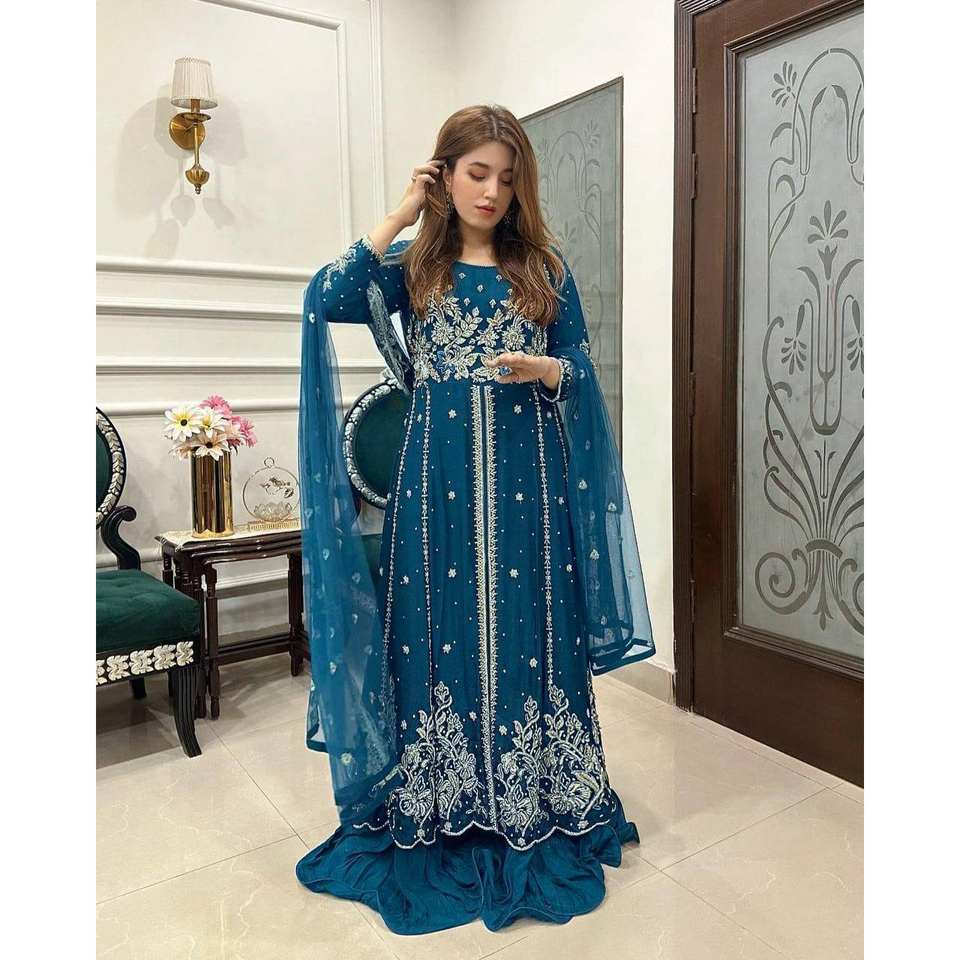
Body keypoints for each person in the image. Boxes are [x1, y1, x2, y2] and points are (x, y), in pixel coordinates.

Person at [295, 104, 655, 935]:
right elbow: (328, 296)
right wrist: (402, 211)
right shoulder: (414, 268)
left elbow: (582, 369)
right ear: (446, 175)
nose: (491, 191)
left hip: (529, 482)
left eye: (506, 177)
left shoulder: (544, 270)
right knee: (438, 627)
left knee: (529, 627)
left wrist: (547, 370)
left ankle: (532, 793)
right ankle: (444, 793)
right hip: (437, 487)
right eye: (475, 173)